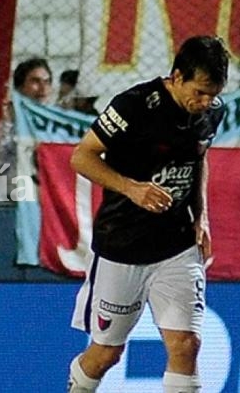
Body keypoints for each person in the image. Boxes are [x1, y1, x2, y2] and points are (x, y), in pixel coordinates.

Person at [67, 35, 228, 393]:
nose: (205, 102)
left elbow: (198, 159)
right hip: (122, 245)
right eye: (199, 92)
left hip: (177, 245)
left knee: (186, 345)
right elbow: (81, 156)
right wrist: (131, 188)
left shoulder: (213, 112)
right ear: (176, 76)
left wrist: (200, 215)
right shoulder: (134, 106)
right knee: (106, 354)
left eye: (213, 94)